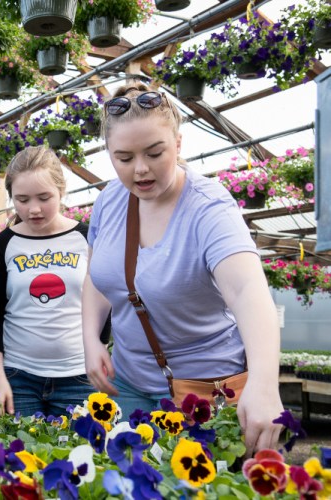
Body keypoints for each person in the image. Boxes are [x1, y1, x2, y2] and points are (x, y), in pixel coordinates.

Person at [81, 82, 282, 455]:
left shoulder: (208, 207)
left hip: (204, 389)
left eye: (155, 153)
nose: (140, 170)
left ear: (178, 144)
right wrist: (91, 339)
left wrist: (265, 383)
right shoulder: (109, 200)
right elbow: (97, 278)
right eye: (124, 159)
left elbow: (247, 291)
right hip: (128, 383)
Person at [0, 146, 98, 418]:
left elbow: (101, 305)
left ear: (62, 191)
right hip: (19, 377)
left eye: (44, 197)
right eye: (22, 199)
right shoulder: (6, 243)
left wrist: (98, 355)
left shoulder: (85, 237)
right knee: (20, 457)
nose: (33, 209)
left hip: (78, 377)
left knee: (79, 458)